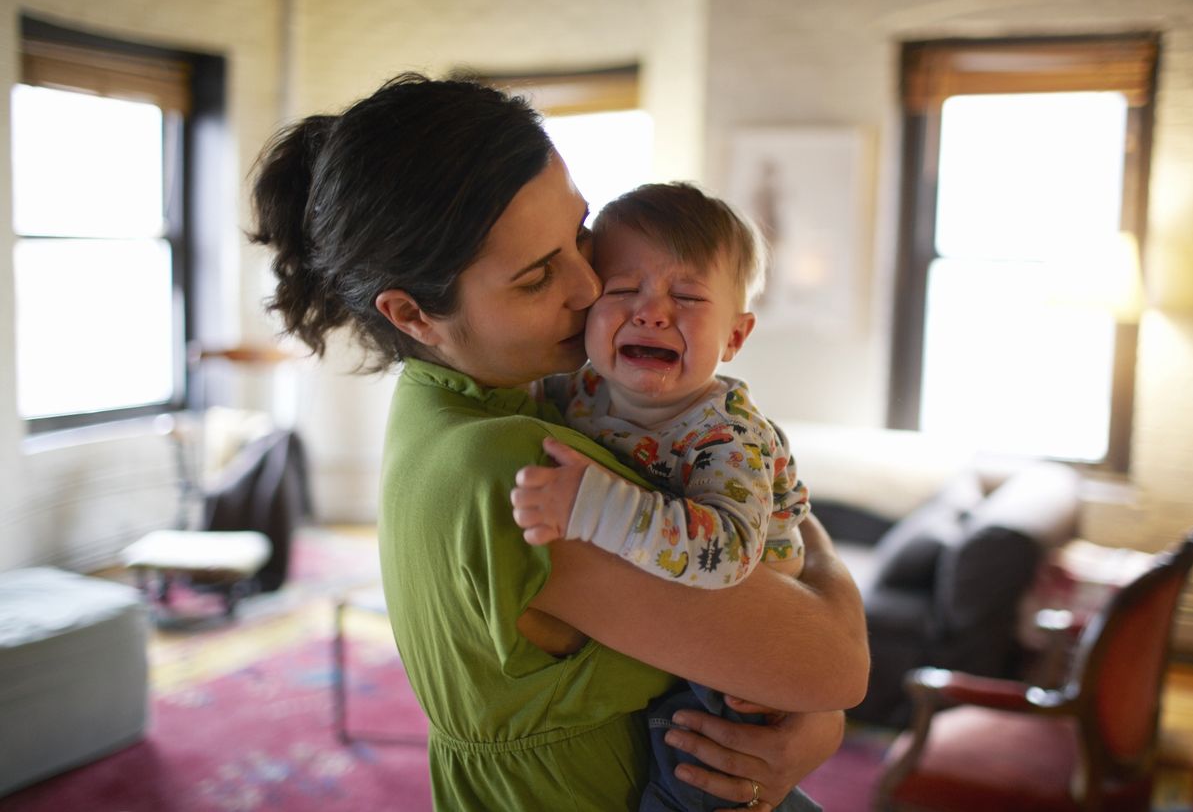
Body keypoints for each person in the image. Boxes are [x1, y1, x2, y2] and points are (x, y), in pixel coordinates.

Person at [250, 72, 869, 811]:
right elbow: (834, 664)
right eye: (540, 274)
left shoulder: (480, 401)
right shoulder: (522, 471)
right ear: (413, 313)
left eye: (579, 235)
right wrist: (821, 622)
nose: (590, 286)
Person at [510, 181, 819, 811]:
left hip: (735, 652)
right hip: (657, 622)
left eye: (687, 296)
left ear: (735, 337)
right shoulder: (579, 390)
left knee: (700, 779)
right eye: (622, 290)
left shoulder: (726, 437)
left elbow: (728, 554)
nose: (652, 312)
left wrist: (592, 507)